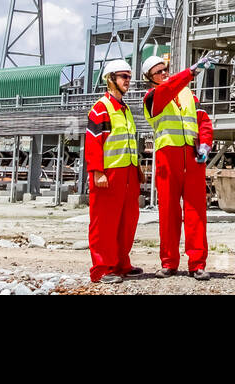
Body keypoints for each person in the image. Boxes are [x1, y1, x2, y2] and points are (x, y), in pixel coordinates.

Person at [141, 54, 214, 279]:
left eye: (165, 69)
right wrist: (190, 72)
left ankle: (197, 263)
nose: (164, 73)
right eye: (159, 71)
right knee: (169, 212)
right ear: (149, 78)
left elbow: (203, 120)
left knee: (196, 212)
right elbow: (168, 90)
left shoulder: (188, 94)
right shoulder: (153, 97)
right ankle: (169, 262)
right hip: (168, 157)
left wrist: (205, 144)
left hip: (192, 157)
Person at [85, 59, 145, 284]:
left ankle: (121, 264)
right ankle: (102, 269)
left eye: (129, 77)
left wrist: (137, 168)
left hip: (128, 173)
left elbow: (129, 141)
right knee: (104, 222)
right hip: (108, 174)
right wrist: (97, 172)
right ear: (111, 80)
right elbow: (93, 143)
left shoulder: (125, 109)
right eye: (124, 77)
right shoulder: (101, 108)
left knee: (127, 221)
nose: (128, 81)